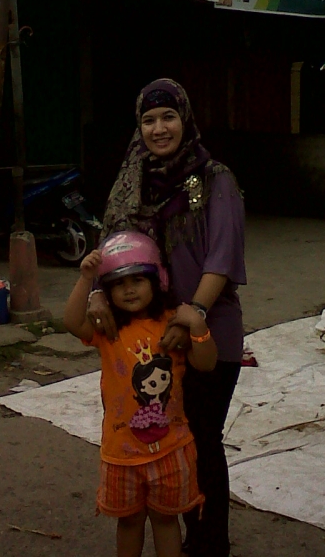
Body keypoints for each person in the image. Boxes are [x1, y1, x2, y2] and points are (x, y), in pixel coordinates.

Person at [87, 79, 246, 557]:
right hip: (149, 335)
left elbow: (222, 256)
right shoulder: (131, 180)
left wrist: (191, 313)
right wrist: (97, 292)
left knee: (201, 441)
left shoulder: (216, 179)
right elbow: (111, 248)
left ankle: (208, 544)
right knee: (159, 441)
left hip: (208, 330)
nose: (159, 129)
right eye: (149, 120)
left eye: (168, 117)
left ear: (186, 119)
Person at [64, 231, 217, 557]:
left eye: (137, 280)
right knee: (130, 522)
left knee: (166, 520)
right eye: (119, 283)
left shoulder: (173, 324)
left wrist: (199, 327)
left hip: (172, 451)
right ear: (107, 290)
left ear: (156, 280)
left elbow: (206, 363)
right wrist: (85, 279)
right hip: (122, 454)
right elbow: (72, 321)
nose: (129, 289)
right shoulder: (108, 329)